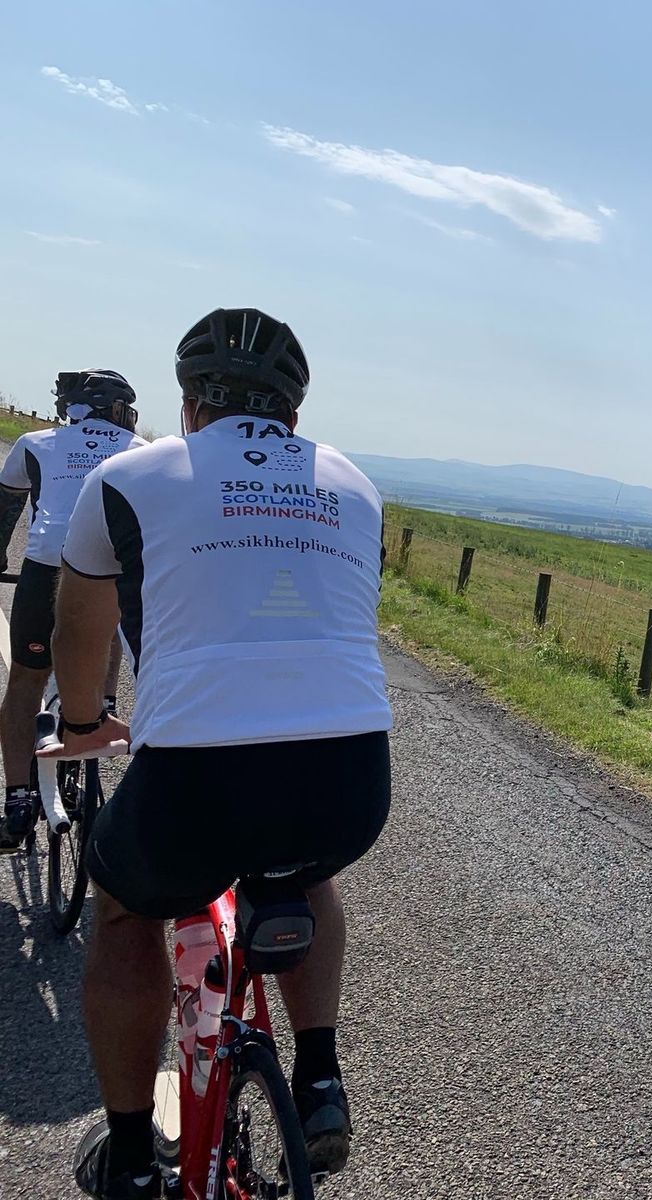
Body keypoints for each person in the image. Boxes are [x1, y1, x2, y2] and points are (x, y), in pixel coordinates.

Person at [49, 308, 393, 1200]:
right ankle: (319, 1079)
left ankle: (132, 1159)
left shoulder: (127, 476)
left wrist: (83, 723)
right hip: (354, 776)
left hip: (196, 782)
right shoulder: (356, 484)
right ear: (293, 413)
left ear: (190, 406)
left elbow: (80, 626)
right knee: (309, 872)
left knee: (125, 912)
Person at [0, 371, 144, 850]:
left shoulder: (35, 442)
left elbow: (6, 509)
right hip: (114, 570)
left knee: (26, 680)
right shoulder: (142, 450)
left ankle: (18, 800)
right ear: (121, 411)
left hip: (46, 566)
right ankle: (103, 703)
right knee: (106, 618)